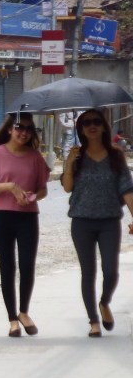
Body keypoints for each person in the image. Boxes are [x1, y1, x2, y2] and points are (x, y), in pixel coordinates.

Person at [61, 110, 133, 337]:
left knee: (111, 270)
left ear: (103, 127)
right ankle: (93, 320)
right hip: (81, 221)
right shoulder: (77, 156)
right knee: (88, 271)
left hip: (109, 221)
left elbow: (127, 189)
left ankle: (104, 302)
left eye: (96, 122)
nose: (92, 126)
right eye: (86, 123)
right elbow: (67, 187)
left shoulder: (115, 155)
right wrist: (69, 163)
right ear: (81, 129)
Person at [0, 112, 50, 338]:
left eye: (29, 129)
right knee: (7, 266)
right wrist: (9, 186)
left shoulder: (35, 157)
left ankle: (24, 312)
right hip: (1, 216)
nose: (24, 132)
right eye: (19, 127)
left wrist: (33, 196)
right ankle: (12, 319)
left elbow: (43, 189)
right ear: (10, 129)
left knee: (27, 264)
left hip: (28, 216)